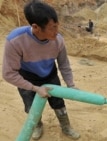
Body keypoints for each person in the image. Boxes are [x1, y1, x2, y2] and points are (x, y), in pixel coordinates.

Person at [2, 0, 80, 140]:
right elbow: (8, 74)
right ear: (36, 27)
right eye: (52, 28)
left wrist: (71, 85)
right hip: (27, 77)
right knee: (31, 106)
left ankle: (66, 126)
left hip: (49, 74)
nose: (57, 32)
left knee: (58, 103)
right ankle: (37, 125)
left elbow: (64, 65)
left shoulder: (58, 40)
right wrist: (34, 88)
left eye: (57, 26)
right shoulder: (15, 41)